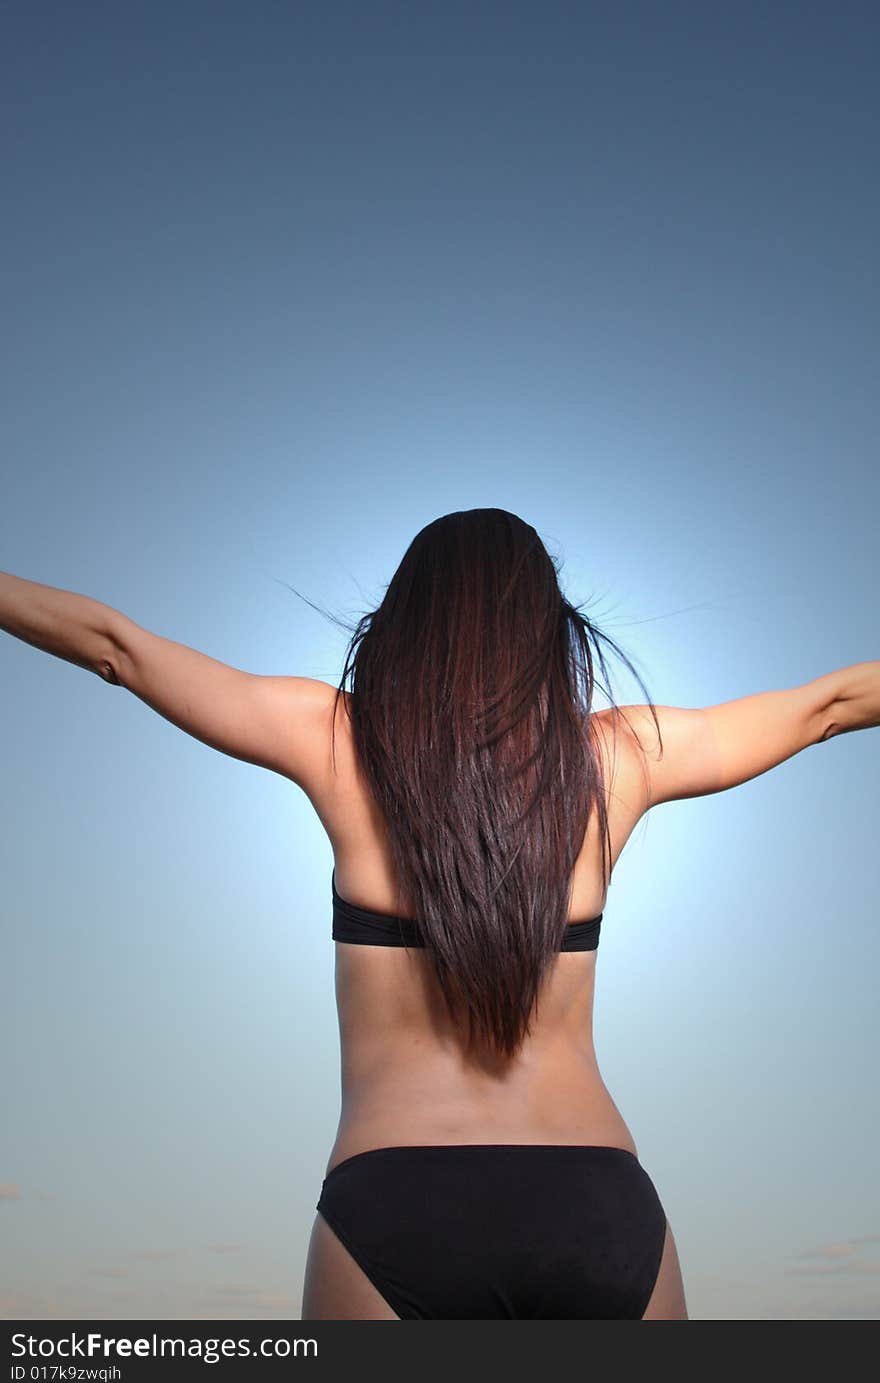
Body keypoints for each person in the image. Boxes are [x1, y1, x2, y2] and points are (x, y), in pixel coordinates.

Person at [2, 509, 876, 1320]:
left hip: (396, 1202)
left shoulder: (335, 737)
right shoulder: (620, 756)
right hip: (599, 1207)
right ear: (548, 629)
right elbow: (828, 708)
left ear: (407, 618)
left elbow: (117, 647)